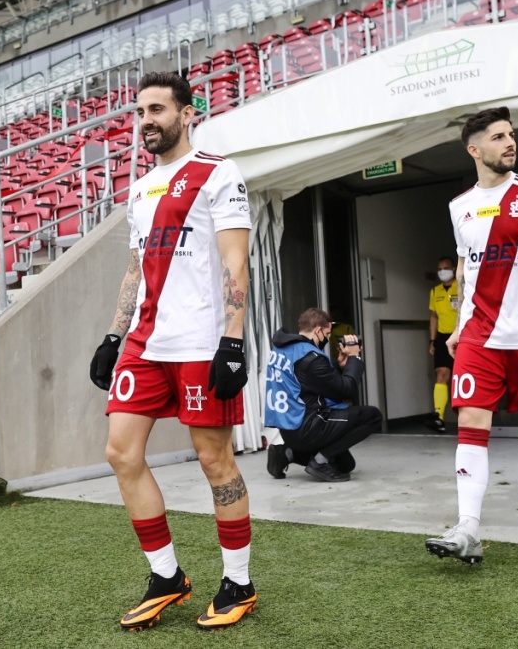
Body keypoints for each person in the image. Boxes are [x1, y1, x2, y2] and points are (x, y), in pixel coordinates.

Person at [88, 72, 256, 631]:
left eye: (157, 110)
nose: (146, 122)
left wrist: (233, 341)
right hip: (145, 342)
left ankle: (239, 582)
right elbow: (136, 268)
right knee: (121, 453)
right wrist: (114, 336)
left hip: (200, 342)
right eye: (140, 112)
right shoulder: (140, 189)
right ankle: (167, 577)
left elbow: (235, 262)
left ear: (186, 114)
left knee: (214, 460)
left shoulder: (218, 173)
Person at [425, 106, 518, 565]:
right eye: (498, 137)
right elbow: (466, 270)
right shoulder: (459, 206)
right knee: (471, 421)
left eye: (511, 135)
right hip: (480, 335)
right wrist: (460, 323)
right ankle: (468, 527)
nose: (510, 143)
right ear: (474, 150)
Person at [264, 307, 382, 482]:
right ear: (318, 331)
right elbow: (346, 390)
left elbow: (313, 383)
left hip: (289, 429)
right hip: (308, 426)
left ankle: (287, 453)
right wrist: (354, 358)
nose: (327, 338)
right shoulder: (310, 357)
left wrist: (339, 365)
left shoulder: (283, 350)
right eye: (327, 334)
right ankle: (319, 461)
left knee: (345, 464)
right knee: (373, 416)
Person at [428, 256, 460, 432]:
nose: (442, 272)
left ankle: (469, 416)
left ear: (454, 268)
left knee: (463, 376)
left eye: (445, 268)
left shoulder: (462, 287)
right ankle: (438, 417)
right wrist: (432, 340)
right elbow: (434, 317)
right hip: (442, 338)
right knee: (441, 374)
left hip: (461, 336)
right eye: (439, 269)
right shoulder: (435, 291)